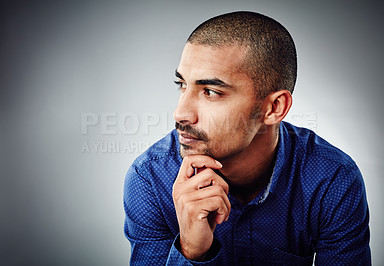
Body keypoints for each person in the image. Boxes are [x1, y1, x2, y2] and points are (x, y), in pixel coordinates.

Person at [123, 11, 371, 265]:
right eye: (182, 85)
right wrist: (190, 251)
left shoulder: (332, 180)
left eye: (210, 92)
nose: (180, 113)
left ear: (274, 108)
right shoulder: (151, 179)